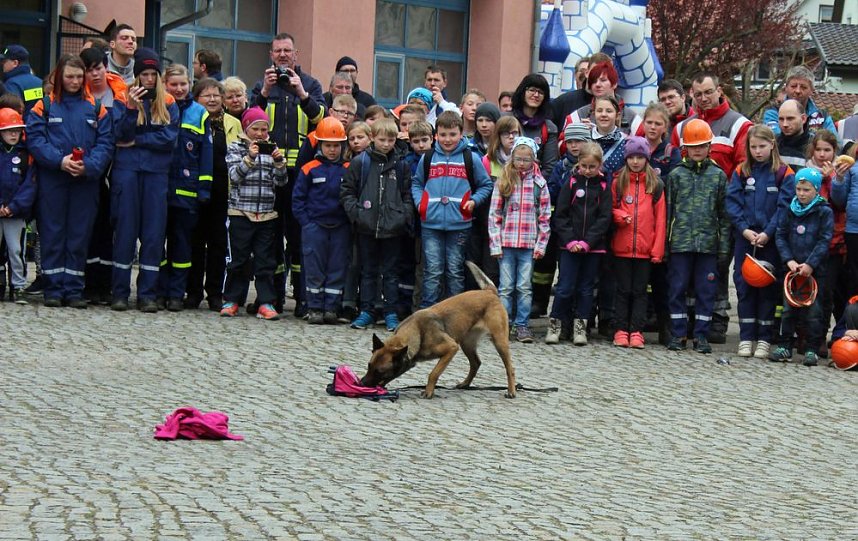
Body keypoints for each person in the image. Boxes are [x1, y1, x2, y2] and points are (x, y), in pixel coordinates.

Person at [671, 72, 753, 344]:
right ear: (691, 95)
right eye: (698, 94)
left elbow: (743, 169)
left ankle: (716, 320)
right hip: (687, 217)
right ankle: (688, 322)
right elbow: (676, 167)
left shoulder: (739, 124)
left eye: (708, 92)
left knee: (716, 269)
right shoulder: (682, 128)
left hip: (720, 210)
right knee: (686, 276)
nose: (704, 98)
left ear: (719, 90)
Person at [26, 54, 114, 307]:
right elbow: (35, 140)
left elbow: (106, 143)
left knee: (79, 234)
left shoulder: (96, 107)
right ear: (59, 77)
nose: (74, 81)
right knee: (52, 232)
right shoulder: (44, 106)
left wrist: (89, 166)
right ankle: (53, 289)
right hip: (52, 180)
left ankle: (74, 289)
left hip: (84, 182)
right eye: (69, 77)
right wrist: (60, 161)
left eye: (78, 77)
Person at [251, 32, 326, 318]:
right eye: (278, 51)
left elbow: (321, 118)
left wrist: (301, 93)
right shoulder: (263, 85)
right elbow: (250, 118)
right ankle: (273, 298)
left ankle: (303, 298)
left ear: (296, 54)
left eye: (287, 51)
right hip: (268, 172)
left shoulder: (310, 84)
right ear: (271, 55)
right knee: (270, 237)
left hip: (300, 173)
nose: (282, 55)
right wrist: (265, 91)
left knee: (298, 237)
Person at [111, 48, 180, 312]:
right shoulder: (122, 97)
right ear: (137, 75)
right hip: (127, 172)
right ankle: (119, 293)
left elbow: (169, 140)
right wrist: (131, 109)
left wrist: (137, 141)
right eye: (144, 74)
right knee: (125, 234)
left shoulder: (169, 101)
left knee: (153, 236)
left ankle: (147, 294)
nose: (149, 79)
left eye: (153, 74)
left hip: (156, 175)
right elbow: (119, 135)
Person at [726, 125, 795, 359]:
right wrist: (744, 229)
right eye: (753, 147)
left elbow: (784, 208)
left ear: (772, 145)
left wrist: (768, 232)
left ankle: (764, 339)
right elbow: (732, 203)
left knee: (767, 289)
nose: (757, 151)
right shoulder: (741, 171)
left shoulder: (784, 173)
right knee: (744, 286)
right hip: (746, 239)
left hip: (770, 241)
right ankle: (746, 337)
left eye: (762, 146)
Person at [412, 110, 493, 309]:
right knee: (432, 271)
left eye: (452, 134)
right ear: (436, 135)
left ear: (461, 133)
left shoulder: (470, 157)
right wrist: (421, 204)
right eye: (443, 135)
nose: (447, 139)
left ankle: (455, 313)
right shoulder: (429, 157)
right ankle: (428, 312)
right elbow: (417, 183)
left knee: (455, 271)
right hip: (431, 224)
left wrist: (474, 201)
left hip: (460, 224)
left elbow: (486, 185)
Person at [340, 118, 413, 331]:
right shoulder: (360, 162)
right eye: (382, 140)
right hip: (366, 226)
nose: (386, 144)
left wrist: (403, 216)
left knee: (391, 273)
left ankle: (390, 312)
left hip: (393, 228)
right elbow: (347, 192)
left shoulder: (401, 164)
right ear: (372, 138)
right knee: (368, 271)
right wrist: (358, 215)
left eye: (391, 140)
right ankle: (367, 311)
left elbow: (407, 195)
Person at [665, 119, 731, 353]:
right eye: (693, 146)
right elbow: (667, 212)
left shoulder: (718, 176)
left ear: (709, 146)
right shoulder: (676, 175)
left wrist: (724, 247)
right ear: (685, 148)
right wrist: (665, 245)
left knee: (706, 291)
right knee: (677, 289)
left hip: (708, 245)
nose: (697, 150)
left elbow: (724, 216)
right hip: (680, 244)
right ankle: (678, 333)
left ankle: (701, 335)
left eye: (702, 145)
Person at [220, 107, 288, 320]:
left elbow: (281, 182)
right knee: (238, 260)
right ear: (246, 129)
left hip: (266, 214)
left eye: (264, 129)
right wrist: (249, 157)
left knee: (265, 262)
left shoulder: (272, 149)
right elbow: (234, 176)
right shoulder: (236, 147)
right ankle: (231, 299)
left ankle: (266, 302)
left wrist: (279, 163)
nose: (259, 134)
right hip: (240, 212)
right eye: (255, 129)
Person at [157, 64, 213, 312]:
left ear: (190, 84)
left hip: (187, 192)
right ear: (164, 85)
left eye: (183, 84)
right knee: (156, 243)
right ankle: (159, 291)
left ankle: (176, 294)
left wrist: (204, 189)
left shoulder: (199, 113)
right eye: (174, 84)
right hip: (159, 189)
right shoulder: (157, 106)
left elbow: (206, 154)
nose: (179, 89)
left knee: (181, 245)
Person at [546, 142, 611, 346]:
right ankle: (555, 325)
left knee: (586, 288)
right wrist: (571, 240)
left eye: (592, 167)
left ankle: (580, 327)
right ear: (578, 164)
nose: (588, 170)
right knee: (564, 287)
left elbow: (604, 218)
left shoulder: (603, 187)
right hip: (569, 247)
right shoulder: (571, 183)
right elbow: (561, 214)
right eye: (584, 166)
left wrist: (587, 242)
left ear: (600, 165)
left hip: (593, 248)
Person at [489, 137, 551, 343]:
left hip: (528, 245)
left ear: (534, 160)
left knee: (524, 287)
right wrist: (495, 244)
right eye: (518, 159)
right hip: (506, 244)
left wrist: (541, 245)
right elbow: (494, 215)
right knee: (505, 288)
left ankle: (522, 324)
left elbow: (544, 218)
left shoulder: (539, 184)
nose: (522, 163)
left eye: (526, 160)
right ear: (512, 158)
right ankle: (503, 325)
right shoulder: (504, 181)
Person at [187, 77, 242, 311]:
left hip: (223, 190)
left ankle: (215, 293)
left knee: (218, 244)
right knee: (195, 242)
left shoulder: (232, 123)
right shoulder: (191, 118)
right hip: (194, 189)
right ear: (196, 98)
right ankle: (193, 292)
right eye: (206, 95)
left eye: (216, 95)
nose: (212, 99)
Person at [770, 168, 834, 366]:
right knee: (788, 310)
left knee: (814, 312)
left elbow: (824, 240)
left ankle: (812, 349)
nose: (801, 193)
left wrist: (810, 264)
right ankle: (785, 345)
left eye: (806, 190)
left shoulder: (824, 211)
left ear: (816, 189)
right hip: (792, 270)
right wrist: (789, 260)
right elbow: (780, 235)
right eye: (798, 189)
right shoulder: (789, 209)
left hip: (814, 272)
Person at [79, 46, 128, 305]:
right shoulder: (78, 95)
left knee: (110, 227)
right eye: (89, 70)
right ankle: (89, 284)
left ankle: (106, 284)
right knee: (89, 226)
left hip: (116, 167)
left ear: (105, 67)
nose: (95, 74)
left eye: (98, 68)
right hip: (88, 168)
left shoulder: (120, 92)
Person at [608, 136, 666, 349]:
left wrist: (657, 250)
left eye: (639, 157)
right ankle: (621, 329)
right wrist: (619, 216)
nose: (635, 161)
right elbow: (610, 209)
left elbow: (660, 219)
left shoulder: (656, 184)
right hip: (621, 248)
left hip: (644, 249)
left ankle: (636, 331)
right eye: (631, 157)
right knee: (622, 291)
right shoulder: (618, 182)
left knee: (640, 292)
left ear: (646, 159)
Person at [292, 116, 350, 324]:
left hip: (340, 227)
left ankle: (331, 308)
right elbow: (297, 199)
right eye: (328, 145)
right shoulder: (309, 168)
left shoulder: (348, 168)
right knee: (314, 268)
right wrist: (307, 223)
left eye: (336, 146)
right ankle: (314, 307)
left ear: (342, 146)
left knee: (337, 267)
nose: (332, 150)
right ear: (320, 145)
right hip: (315, 226)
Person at [809, 129, 850, 340]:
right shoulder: (807, 172)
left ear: (835, 151)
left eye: (827, 150)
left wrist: (831, 179)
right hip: (809, 241)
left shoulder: (840, 173)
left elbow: (839, 202)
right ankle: (806, 335)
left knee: (828, 292)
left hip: (834, 241)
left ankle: (823, 336)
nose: (822, 154)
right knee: (812, 291)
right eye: (818, 149)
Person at [0, 107, 35, 304]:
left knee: (16, 250)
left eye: (17, 131)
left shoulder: (25, 155)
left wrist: (13, 207)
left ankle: (18, 286)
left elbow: (30, 186)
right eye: (8, 131)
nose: (13, 135)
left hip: (16, 213)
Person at [763, 66, 837, 140]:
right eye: (793, 86)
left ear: (811, 90)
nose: (798, 91)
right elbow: (775, 141)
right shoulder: (773, 112)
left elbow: (835, 143)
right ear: (786, 88)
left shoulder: (822, 116)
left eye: (803, 87)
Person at [510, 73, 558, 175]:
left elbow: (549, 167)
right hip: (506, 179)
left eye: (540, 92)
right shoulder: (507, 120)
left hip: (534, 181)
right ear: (523, 92)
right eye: (532, 90)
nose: (536, 95)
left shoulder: (549, 128)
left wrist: (532, 182)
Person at [831, 145, 858, 301]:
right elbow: (839, 200)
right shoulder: (852, 168)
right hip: (854, 230)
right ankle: (852, 312)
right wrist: (839, 179)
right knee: (854, 274)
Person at [1, 45, 44, 113]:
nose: (2, 64)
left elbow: (11, 111)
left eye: (4, 62)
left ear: (15, 63)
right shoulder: (40, 82)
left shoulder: (12, 84)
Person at [776, 99, 811, 171]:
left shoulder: (815, 146)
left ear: (803, 119)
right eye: (781, 119)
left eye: (790, 119)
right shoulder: (772, 145)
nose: (785, 124)